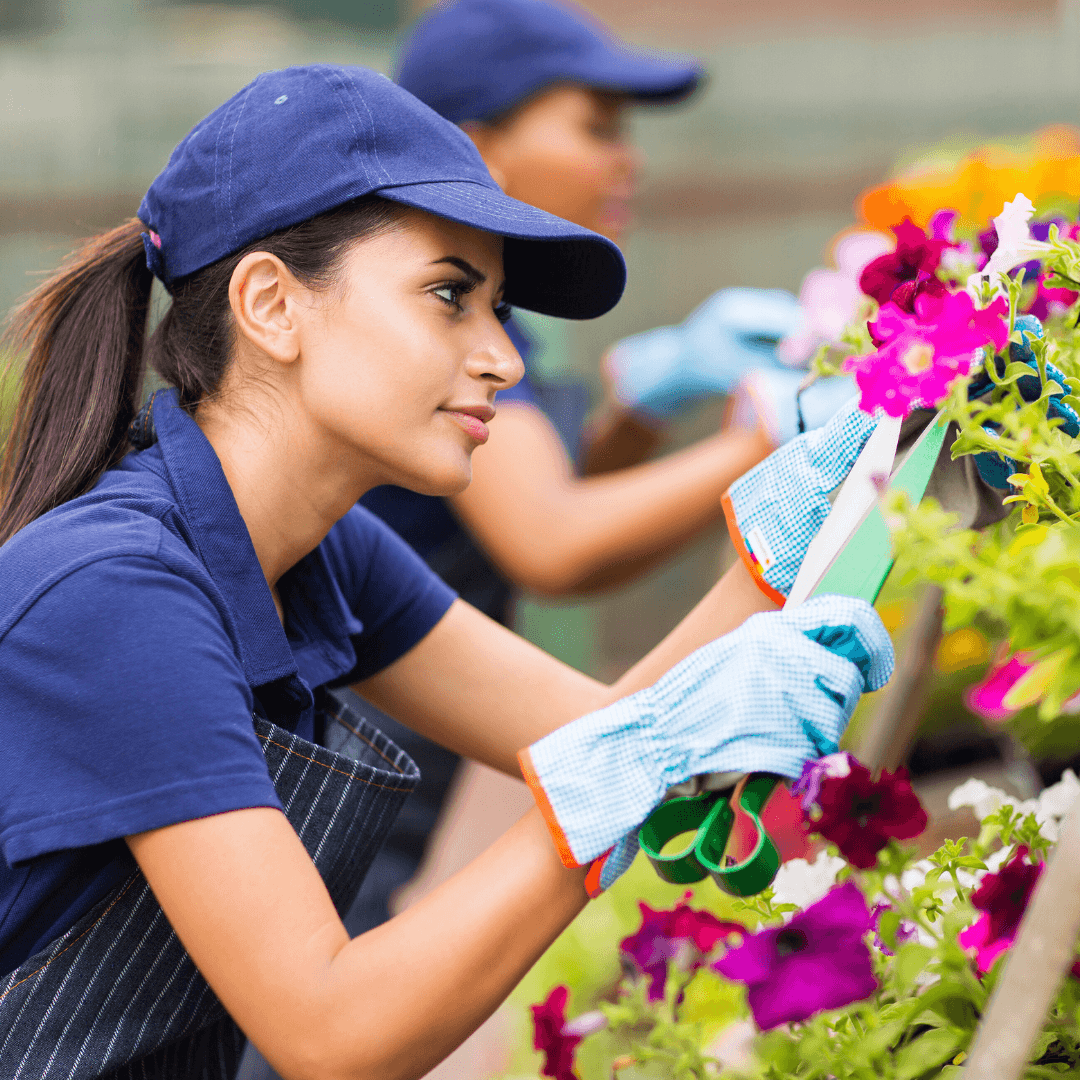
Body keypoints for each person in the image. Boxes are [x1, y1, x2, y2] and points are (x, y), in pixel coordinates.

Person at [0, 65, 892, 1079]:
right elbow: (331, 1030)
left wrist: (791, 540)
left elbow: (597, 733)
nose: (504, 359)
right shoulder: (117, 593)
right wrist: (637, 758)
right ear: (271, 305)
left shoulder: (319, 551)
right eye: (449, 297)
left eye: (496, 308)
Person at [348, 0, 854, 943]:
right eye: (597, 127)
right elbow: (552, 539)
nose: (630, 160)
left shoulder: (485, 332)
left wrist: (640, 410)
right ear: (475, 144)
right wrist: (763, 446)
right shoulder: (436, 343)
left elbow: (547, 496)